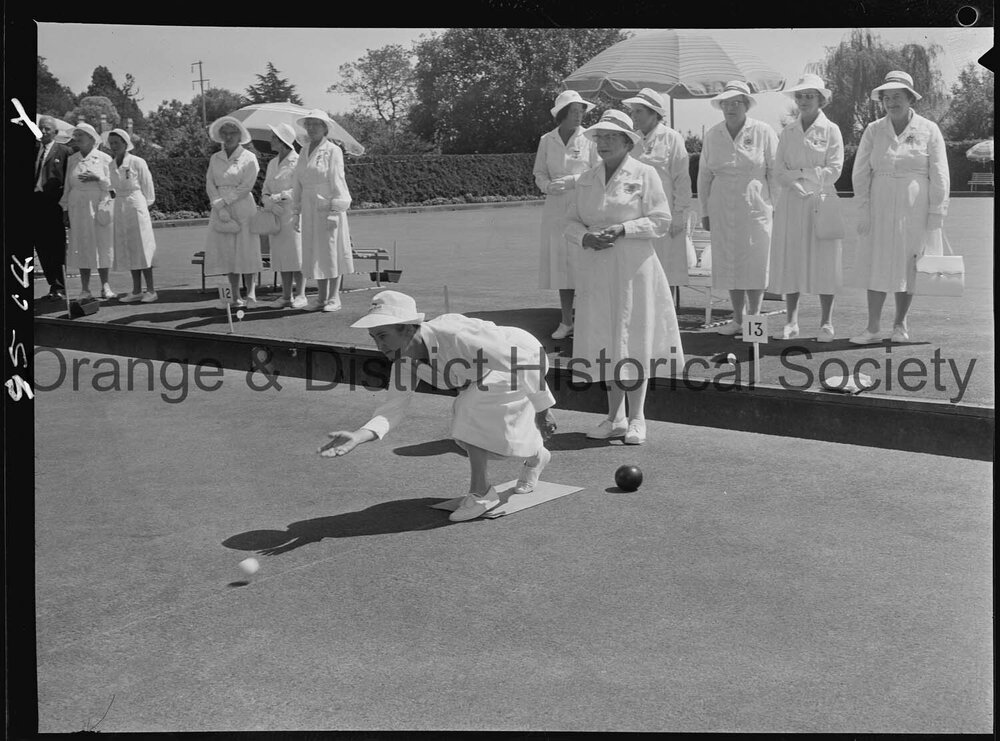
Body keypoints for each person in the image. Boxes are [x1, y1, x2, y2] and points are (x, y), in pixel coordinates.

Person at [319, 291, 558, 523]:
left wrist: (543, 410)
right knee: (476, 428)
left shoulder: (455, 335)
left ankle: (481, 493)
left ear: (408, 327)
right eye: (374, 337)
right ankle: (537, 456)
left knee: (469, 409)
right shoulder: (403, 361)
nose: (379, 345)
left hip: (524, 358)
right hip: (484, 377)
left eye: (383, 335)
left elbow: (522, 361)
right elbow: (393, 408)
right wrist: (358, 437)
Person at [565, 109, 684, 446]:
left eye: (610, 137)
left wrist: (624, 228)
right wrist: (584, 237)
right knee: (606, 338)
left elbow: (661, 220)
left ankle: (637, 419)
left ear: (627, 142)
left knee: (634, 339)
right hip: (597, 269)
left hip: (635, 269)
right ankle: (613, 417)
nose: (602, 143)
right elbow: (570, 222)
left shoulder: (645, 174)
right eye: (599, 137)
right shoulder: (586, 179)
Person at [850, 70, 950, 345]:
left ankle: (900, 325)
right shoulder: (873, 130)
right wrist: (863, 208)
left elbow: (940, 172)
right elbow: (860, 172)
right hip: (879, 203)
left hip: (915, 206)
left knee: (910, 264)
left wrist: (936, 212)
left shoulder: (929, 129)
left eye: (897, 96)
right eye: (887, 97)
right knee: (876, 262)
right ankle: (872, 328)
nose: (892, 102)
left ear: (910, 98)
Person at [697, 80, 779, 336]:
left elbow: (775, 171)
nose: (731, 107)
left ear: (746, 105)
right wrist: (705, 211)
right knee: (729, 261)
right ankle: (737, 319)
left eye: (736, 103)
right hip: (721, 205)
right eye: (726, 103)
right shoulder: (713, 134)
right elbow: (704, 176)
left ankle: (755, 321)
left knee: (755, 262)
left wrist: (775, 206)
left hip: (756, 205)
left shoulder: (763, 131)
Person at [768, 74, 845, 341]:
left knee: (825, 260)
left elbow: (834, 169)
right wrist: (795, 181)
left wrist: (802, 175)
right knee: (792, 260)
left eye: (809, 96)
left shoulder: (831, 129)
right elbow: (778, 171)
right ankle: (791, 322)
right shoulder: (787, 132)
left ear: (821, 99)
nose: (803, 101)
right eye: (800, 96)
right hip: (791, 201)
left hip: (821, 201)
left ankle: (826, 323)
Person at [533, 90, 599, 340]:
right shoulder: (547, 140)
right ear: (562, 113)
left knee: (583, 262)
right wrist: (547, 186)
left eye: (581, 110)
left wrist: (571, 180)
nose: (579, 115)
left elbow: (597, 171)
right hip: (555, 209)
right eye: (574, 111)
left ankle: (586, 319)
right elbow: (539, 172)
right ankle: (566, 320)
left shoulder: (590, 138)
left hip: (582, 205)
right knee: (562, 265)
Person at [623, 88, 695, 289]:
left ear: (654, 114)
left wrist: (679, 214)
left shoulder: (672, 138)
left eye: (638, 111)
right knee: (638, 272)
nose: (633, 116)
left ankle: (667, 319)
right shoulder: (630, 140)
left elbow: (682, 179)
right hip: (636, 215)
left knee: (666, 273)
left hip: (665, 216)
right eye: (633, 111)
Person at [292, 109, 354, 313]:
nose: (311, 128)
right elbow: (298, 182)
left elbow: (338, 179)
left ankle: (334, 297)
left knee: (330, 250)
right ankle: (320, 298)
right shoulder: (303, 150)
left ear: (325, 127)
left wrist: (335, 209)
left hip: (327, 206)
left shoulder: (333, 150)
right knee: (314, 250)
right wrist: (296, 210)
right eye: (308, 124)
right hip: (309, 209)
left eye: (315, 124)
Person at [205, 116, 261, 308]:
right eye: (225, 134)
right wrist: (218, 206)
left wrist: (226, 201)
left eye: (232, 133)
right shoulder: (215, 158)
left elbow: (246, 186)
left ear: (240, 135)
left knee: (246, 249)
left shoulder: (249, 157)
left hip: (243, 206)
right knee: (228, 250)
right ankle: (234, 296)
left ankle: (251, 294)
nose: (228, 137)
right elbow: (210, 183)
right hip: (220, 207)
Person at [60, 122, 116, 300]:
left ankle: (105, 286)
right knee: (82, 245)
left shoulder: (105, 159)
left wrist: (97, 178)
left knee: (102, 244)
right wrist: (65, 208)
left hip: (98, 205)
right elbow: (68, 186)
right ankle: (85, 289)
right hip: (78, 208)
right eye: (75, 135)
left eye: (80, 135)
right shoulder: (72, 159)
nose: (77, 138)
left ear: (92, 138)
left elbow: (113, 186)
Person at [107, 128, 158, 303]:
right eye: (111, 143)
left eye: (117, 143)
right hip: (120, 206)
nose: (114, 146)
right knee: (129, 248)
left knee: (142, 247)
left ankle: (151, 290)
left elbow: (148, 188)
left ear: (125, 143)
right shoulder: (111, 165)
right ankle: (136, 290)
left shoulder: (138, 162)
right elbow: (112, 188)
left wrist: (142, 206)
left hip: (136, 205)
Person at [262, 123, 306, 309]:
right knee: (280, 256)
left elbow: (299, 187)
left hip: (292, 213)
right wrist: (269, 202)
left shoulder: (298, 161)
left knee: (296, 254)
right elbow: (265, 188)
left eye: (274, 137)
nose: (271, 140)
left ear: (283, 141)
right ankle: (286, 295)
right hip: (276, 215)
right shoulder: (272, 163)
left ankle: (301, 295)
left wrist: (280, 197)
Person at [34, 116, 73, 300]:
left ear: (55, 133)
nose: (42, 131)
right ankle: (53, 285)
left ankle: (60, 286)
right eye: (40, 128)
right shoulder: (33, 150)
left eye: (47, 129)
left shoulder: (65, 151)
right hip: (35, 204)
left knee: (56, 246)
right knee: (41, 246)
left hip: (54, 205)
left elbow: (70, 180)